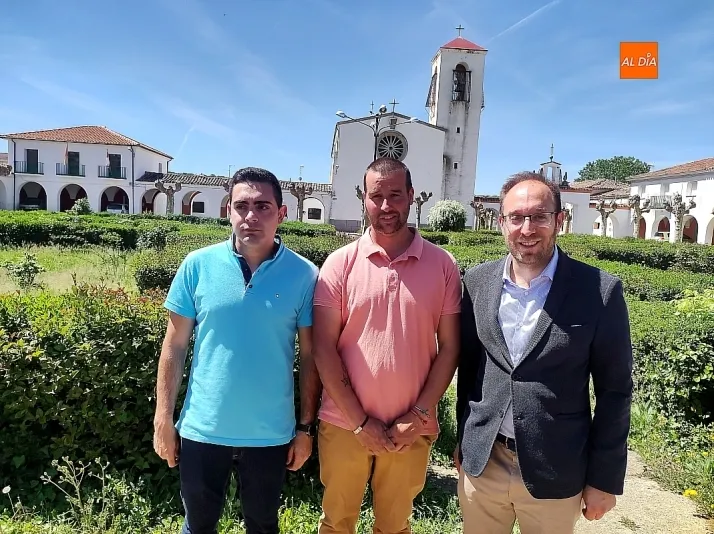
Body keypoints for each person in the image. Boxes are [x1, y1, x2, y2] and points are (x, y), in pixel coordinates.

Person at [455, 171, 634, 534]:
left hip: (556, 468)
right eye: (516, 217)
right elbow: (470, 368)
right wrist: (464, 439)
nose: (527, 228)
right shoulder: (477, 282)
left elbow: (615, 391)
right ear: (501, 223)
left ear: (559, 220)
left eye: (539, 216)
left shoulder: (599, 291)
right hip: (484, 463)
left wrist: (604, 479)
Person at [153, 167, 321, 534]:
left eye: (263, 206)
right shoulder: (197, 266)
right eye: (242, 206)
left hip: (270, 433)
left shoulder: (305, 275)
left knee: (263, 525)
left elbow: (311, 357)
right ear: (228, 209)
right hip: (202, 428)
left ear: (282, 214)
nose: (251, 216)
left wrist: (305, 429)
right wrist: (163, 417)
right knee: (197, 526)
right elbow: (174, 346)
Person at [312, 157, 462, 534]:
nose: (386, 205)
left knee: (395, 526)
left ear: (411, 196)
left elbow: (450, 347)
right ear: (363, 198)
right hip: (345, 423)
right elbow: (323, 348)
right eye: (376, 196)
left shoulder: (442, 265)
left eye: (395, 195)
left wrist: (419, 414)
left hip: (411, 426)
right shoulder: (339, 264)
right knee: (336, 523)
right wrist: (360, 422)